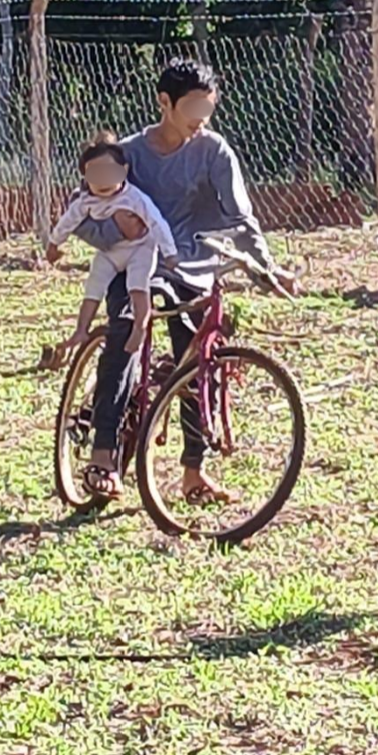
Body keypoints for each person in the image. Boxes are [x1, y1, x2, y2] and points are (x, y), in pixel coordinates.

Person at [73, 58, 297, 501]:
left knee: (199, 358)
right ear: (164, 103)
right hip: (138, 266)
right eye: (192, 108)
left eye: (207, 110)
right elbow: (80, 215)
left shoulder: (214, 151)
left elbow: (241, 216)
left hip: (196, 268)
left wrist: (266, 268)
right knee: (125, 335)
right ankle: (102, 457)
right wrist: (118, 230)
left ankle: (194, 472)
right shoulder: (128, 156)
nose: (201, 120)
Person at [46, 134, 179, 357]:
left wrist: (170, 253)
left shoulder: (135, 198)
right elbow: (67, 221)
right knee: (93, 287)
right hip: (110, 252)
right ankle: (81, 330)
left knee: (138, 287)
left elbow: (157, 222)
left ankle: (140, 326)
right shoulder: (86, 200)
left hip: (140, 248)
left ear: (123, 170)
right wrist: (53, 244)